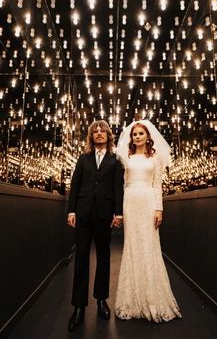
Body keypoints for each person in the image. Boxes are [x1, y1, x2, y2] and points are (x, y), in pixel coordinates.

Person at [115, 119, 182, 322]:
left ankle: (152, 298)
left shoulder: (156, 158)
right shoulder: (125, 158)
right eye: (134, 134)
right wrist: (119, 211)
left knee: (149, 245)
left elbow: (157, 185)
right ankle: (132, 299)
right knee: (132, 246)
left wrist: (159, 209)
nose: (137, 137)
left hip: (148, 201)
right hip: (130, 201)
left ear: (148, 136)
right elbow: (122, 184)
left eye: (140, 134)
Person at [67, 120, 124, 331]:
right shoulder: (83, 159)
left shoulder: (115, 161)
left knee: (103, 258)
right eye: (95, 131)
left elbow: (118, 189)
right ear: (91, 137)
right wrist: (71, 211)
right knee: (81, 259)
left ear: (109, 136)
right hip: (82, 214)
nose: (99, 134)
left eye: (102, 131)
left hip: (104, 215)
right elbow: (75, 186)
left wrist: (118, 213)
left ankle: (101, 300)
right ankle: (79, 307)